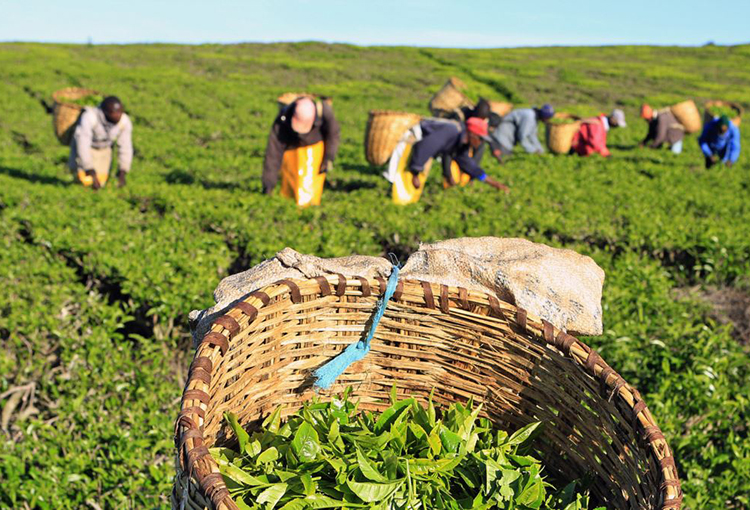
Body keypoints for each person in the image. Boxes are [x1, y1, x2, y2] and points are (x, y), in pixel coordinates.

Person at [262, 96, 340, 206]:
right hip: (291, 150)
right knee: (290, 186)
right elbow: (273, 153)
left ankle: (311, 204)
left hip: (315, 149)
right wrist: (268, 185)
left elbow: (333, 136)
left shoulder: (324, 112)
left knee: (311, 188)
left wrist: (328, 158)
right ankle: (289, 200)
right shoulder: (283, 119)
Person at [408, 117, 508, 191]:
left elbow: (469, 166)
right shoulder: (451, 131)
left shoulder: (461, 144)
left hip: (416, 152)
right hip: (410, 141)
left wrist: (493, 183)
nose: (481, 143)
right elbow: (426, 146)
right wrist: (415, 173)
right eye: (480, 139)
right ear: (472, 134)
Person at [68, 96, 133, 189]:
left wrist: (123, 170)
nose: (118, 115)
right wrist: (88, 168)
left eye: (120, 112)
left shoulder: (124, 121)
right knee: (83, 181)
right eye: (114, 112)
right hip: (86, 149)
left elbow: (125, 146)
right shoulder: (90, 116)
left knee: (100, 183)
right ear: (105, 112)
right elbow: (83, 143)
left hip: (104, 150)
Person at [489, 104, 554, 161]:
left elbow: (532, 135)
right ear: (544, 117)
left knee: (507, 156)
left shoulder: (534, 118)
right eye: (547, 118)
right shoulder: (529, 117)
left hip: (507, 139)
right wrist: (533, 150)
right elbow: (522, 136)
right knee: (503, 158)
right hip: (502, 137)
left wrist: (540, 149)